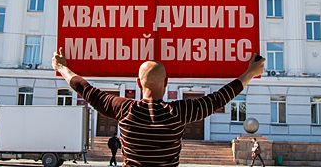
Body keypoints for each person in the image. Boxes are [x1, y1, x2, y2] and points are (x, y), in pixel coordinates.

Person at [53, 48, 265, 167]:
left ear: (138, 83)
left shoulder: (124, 110)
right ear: (166, 82)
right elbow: (219, 98)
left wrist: (61, 67)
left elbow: (86, 90)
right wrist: (249, 73)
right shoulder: (178, 112)